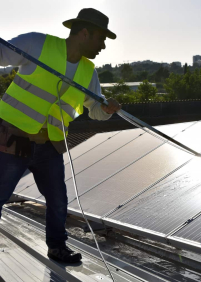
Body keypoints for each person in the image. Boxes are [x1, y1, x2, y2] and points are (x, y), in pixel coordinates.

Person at [0, 8, 121, 263]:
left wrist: (107, 109)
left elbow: (96, 111)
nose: (102, 46)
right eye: (101, 39)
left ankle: (57, 247)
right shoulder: (36, 43)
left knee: (58, 201)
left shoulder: (89, 71)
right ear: (85, 33)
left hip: (49, 145)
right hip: (12, 139)